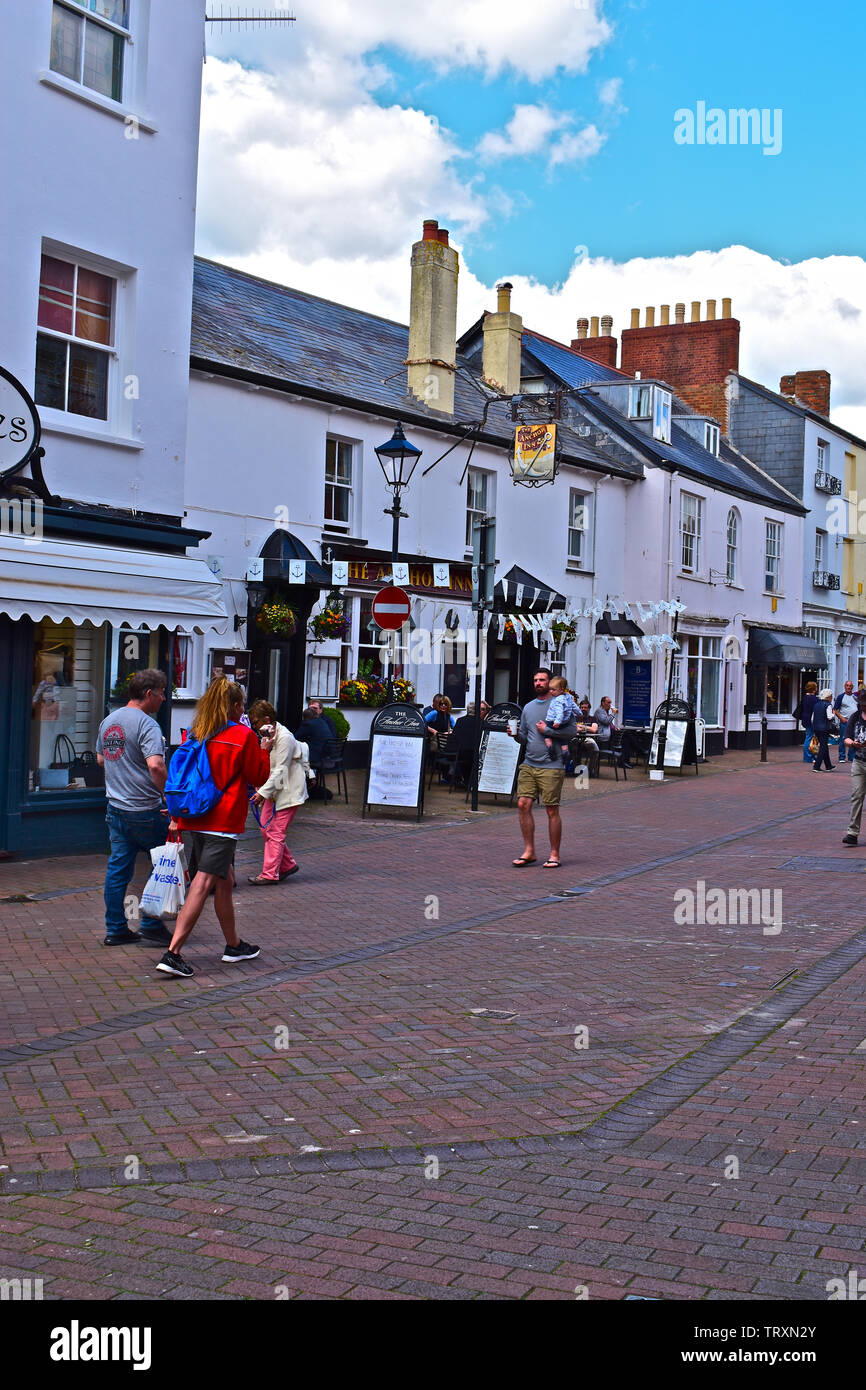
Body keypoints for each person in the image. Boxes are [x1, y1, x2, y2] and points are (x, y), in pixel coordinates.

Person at [157, 678, 273, 978]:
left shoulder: (198, 732)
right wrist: (265, 748)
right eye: (241, 705)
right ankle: (173, 953)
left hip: (194, 815)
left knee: (224, 879)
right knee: (204, 881)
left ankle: (234, 945)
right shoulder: (242, 735)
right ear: (236, 706)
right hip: (222, 820)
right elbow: (258, 775)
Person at [96, 669, 172, 947]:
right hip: (144, 809)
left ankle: (116, 928)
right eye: (162, 693)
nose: (163, 699)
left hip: (115, 808)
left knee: (118, 869)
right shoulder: (148, 725)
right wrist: (170, 796)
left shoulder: (108, 721)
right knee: (165, 863)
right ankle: (151, 923)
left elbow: (101, 760)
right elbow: (155, 764)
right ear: (149, 694)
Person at [247, 700, 310, 884]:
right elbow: (268, 767)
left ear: (267, 719)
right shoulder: (266, 736)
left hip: (289, 791)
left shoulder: (285, 738)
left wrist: (262, 793)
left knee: (275, 832)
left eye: (256, 722)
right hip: (274, 791)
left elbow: (280, 770)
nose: (254, 726)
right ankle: (288, 864)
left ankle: (269, 874)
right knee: (266, 828)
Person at [509, 667, 565, 869]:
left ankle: (554, 854)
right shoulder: (528, 707)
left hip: (552, 765)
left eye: (542, 680)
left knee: (551, 810)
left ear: (550, 683)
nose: (538, 683)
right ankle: (529, 851)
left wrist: (547, 730)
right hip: (529, 762)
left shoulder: (560, 705)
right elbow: (524, 737)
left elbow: (571, 732)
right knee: (523, 804)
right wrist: (515, 735)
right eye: (535, 680)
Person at [842, 689, 866, 844]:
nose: (863, 707)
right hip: (858, 761)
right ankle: (852, 832)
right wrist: (852, 743)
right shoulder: (855, 717)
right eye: (862, 704)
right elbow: (846, 738)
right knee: (857, 796)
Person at [539, 677, 580, 760]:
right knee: (562, 738)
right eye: (550, 689)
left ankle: (550, 747)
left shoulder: (558, 700)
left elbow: (559, 712)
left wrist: (557, 721)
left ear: (561, 690)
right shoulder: (568, 698)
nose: (551, 691)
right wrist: (579, 713)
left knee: (546, 735)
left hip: (552, 721)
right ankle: (565, 751)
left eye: (553, 690)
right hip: (564, 723)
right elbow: (575, 707)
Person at [810, 688, 837, 772]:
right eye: (831, 696)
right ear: (828, 697)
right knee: (823, 747)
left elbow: (812, 718)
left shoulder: (816, 705)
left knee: (824, 746)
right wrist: (834, 714)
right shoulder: (828, 705)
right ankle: (816, 766)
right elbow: (829, 717)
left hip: (816, 728)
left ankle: (828, 765)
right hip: (824, 728)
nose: (831, 698)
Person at [834, 682, 858, 762]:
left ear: (852, 687)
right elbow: (835, 710)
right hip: (845, 721)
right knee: (843, 739)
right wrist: (841, 718)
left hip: (854, 721)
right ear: (844, 686)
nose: (849, 687)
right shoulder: (841, 697)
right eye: (847, 685)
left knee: (853, 739)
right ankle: (842, 757)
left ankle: (851, 757)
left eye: (850, 686)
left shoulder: (855, 696)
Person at [798, 681, 819, 762]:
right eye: (816, 687)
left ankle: (809, 756)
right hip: (812, 720)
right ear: (813, 689)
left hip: (805, 720)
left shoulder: (805, 698)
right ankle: (809, 757)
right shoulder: (814, 699)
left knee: (809, 737)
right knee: (810, 738)